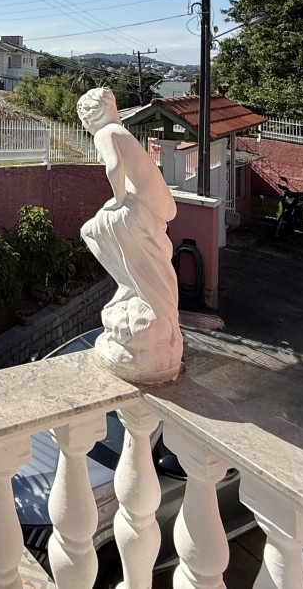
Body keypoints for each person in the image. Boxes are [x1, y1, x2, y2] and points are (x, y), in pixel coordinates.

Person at [76, 88, 182, 384]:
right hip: (157, 207)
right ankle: (133, 286)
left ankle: (130, 283)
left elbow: (114, 167)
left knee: (91, 231)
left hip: (140, 206)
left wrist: (119, 199)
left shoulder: (105, 132)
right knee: (99, 231)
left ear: (90, 116)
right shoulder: (121, 131)